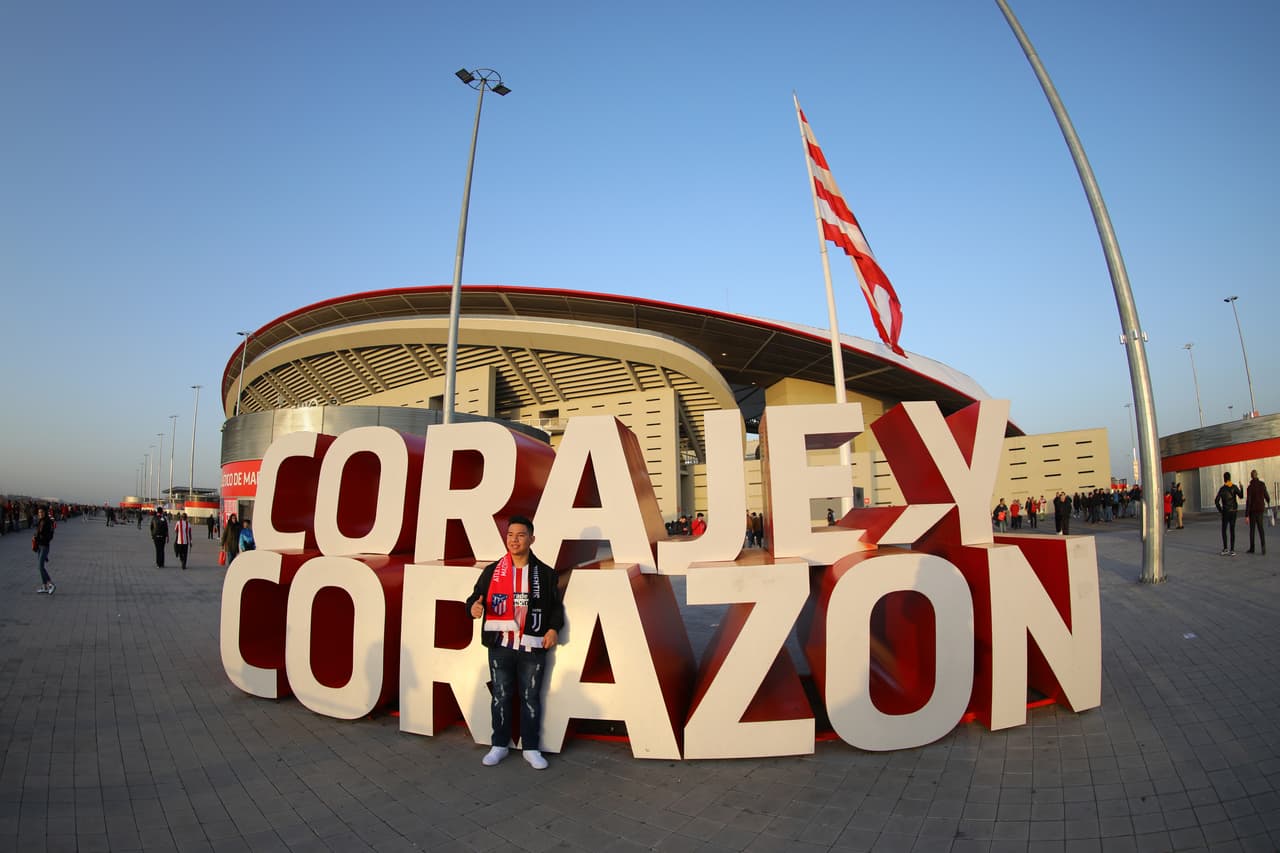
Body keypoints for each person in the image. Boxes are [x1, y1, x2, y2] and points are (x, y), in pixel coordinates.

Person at [465, 516, 563, 770]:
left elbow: (555, 607)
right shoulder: (492, 572)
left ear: (532, 539)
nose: (514, 540)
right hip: (501, 645)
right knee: (500, 695)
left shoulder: (545, 573)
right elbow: (474, 598)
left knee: (530, 697)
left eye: (520, 535)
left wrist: (553, 628)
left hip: (532, 646)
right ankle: (499, 744)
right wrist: (473, 607)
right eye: (510, 535)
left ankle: (531, 748)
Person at [1214, 472, 1244, 556]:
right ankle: (1232, 549)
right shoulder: (1234, 487)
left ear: (1224, 479)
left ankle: (1225, 548)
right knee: (1232, 529)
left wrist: (1221, 510)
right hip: (1233, 511)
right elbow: (1241, 496)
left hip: (1225, 511)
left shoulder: (1222, 489)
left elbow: (1216, 501)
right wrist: (1241, 488)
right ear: (1230, 478)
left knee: (1224, 529)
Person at [1245, 469, 1270, 555]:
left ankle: (1252, 548)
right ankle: (1263, 547)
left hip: (1252, 511)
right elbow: (1266, 496)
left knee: (1252, 530)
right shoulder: (1262, 485)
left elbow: (1248, 501)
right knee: (1261, 529)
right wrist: (1267, 500)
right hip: (1260, 510)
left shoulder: (1250, 488)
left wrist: (1246, 514)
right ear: (1257, 475)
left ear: (1251, 476)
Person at [34, 505, 56, 594]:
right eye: (39, 512)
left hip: (44, 546)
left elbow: (49, 536)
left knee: (40, 567)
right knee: (40, 567)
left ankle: (50, 584)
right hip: (39, 546)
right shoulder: (40, 521)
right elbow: (38, 532)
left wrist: (39, 538)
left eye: (42, 512)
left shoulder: (47, 522)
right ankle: (44, 586)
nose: (40, 514)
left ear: (45, 512)